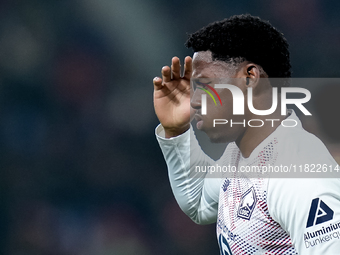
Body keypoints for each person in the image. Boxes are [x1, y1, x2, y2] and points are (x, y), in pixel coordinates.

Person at [153, 14, 340, 254]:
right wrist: (176, 130)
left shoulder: (298, 176)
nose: (195, 102)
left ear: (250, 78)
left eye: (205, 85)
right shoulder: (240, 154)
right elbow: (199, 201)